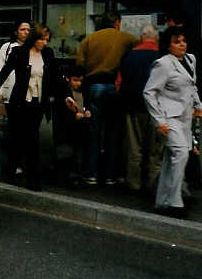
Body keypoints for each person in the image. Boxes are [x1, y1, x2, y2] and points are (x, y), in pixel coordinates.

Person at [143, 26, 202, 218]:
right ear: (168, 45)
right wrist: (159, 120)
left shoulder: (190, 59)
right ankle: (174, 201)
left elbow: (191, 86)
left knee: (172, 158)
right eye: (177, 41)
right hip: (169, 117)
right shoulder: (163, 64)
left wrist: (199, 104)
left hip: (185, 117)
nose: (182, 44)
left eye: (183, 41)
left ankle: (162, 201)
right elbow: (149, 92)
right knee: (180, 154)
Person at [76, 11, 138, 185]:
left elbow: (80, 65)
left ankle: (92, 174)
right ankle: (111, 175)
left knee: (93, 133)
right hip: (114, 87)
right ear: (117, 22)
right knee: (113, 132)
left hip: (94, 86)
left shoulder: (88, 40)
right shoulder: (127, 38)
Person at [0, 22, 59, 191]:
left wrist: (66, 96)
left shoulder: (48, 54)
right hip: (20, 102)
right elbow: (4, 73)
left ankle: (32, 178)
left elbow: (55, 77)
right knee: (19, 137)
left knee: (32, 139)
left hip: (38, 102)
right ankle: (14, 171)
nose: (45, 43)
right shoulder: (19, 52)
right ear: (34, 38)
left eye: (47, 40)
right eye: (42, 40)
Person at [116, 23, 163, 194]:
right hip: (157, 109)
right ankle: (153, 183)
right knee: (154, 150)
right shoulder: (162, 56)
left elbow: (119, 82)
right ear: (155, 37)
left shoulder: (129, 56)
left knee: (134, 148)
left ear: (141, 37)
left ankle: (134, 183)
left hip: (133, 106)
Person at [165, 10, 202, 96]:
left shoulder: (171, 37)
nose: (166, 25)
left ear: (172, 21)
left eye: (167, 21)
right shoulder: (195, 36)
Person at [62, 65, 91, 185]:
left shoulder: (83, 91)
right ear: (68, 79)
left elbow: (87, 104)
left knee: (79, 151)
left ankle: (76, 175)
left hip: (81, 126)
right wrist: (74, 116)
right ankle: (68, 176)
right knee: (67, 152)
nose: (78, 83)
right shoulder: (65, 92)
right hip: (69, 127)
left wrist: (87, 111)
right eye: (75, 80)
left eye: (80, 80)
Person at [0, 20, 30, 105]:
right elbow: (0, 69)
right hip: (9, 91)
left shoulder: (33, 49)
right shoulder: (7, 47)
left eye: (28, 30)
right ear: (16, 32)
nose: (26, 32)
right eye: (22, 29)